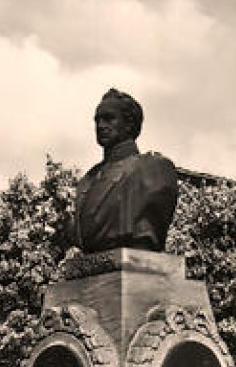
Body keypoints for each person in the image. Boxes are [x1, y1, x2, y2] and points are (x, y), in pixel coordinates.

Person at [75, 88, 178, 254]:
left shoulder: (154, 169)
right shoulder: (87, 180)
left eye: (109, 119)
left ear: (129, 124)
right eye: (97, 120)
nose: (101, 126)